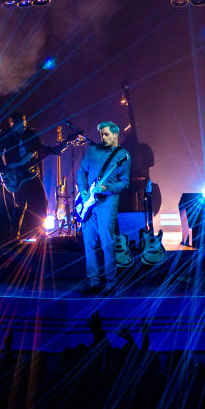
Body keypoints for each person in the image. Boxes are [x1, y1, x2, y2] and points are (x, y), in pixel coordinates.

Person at [76, 121, 130, 295]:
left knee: (107, 242)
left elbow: (125, 182)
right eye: (101, 134)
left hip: (108, 202)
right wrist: (83, 191)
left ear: (116, 135)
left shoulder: (123, 155)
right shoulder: (92, 150)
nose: (103, 137)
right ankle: (93, 282)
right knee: (89, 243)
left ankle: (111, 283)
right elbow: (81, 172)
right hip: (89, 203)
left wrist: (109, 188)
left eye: (106, 134)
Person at [0, 113, 59, 241]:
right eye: (19, 123)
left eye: (24, 122)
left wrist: (55, 150)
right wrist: (6, 170)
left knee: (41, 203)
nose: (23, 125)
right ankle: (14, 237)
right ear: (12, 125)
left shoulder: (30, 134)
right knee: (20, 205)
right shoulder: (5, 136)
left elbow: (41, 148)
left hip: (31, 173)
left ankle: (40, 234)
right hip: (16, 176)